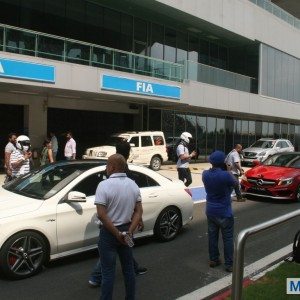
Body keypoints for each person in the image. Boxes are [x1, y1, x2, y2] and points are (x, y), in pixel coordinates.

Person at [88, 140, 147, 287]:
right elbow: (129, 198)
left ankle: (132, 268)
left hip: (112, 219)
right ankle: (96, 276)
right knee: (117, 247)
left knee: (118, 248)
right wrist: (137, 217)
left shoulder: (113, 167)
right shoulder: (124, 171)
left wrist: (137, 216)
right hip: (121, 222)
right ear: (128, 153)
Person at [95, 153, 143, 299]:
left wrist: (116, 234)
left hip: (109, 233)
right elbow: (139, 211)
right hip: (127, 230)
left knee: (108, 273)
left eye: (107, 165)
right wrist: (129, 232)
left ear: (113, 167)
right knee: (128, 270)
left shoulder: (103, 185)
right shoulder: (133, 184)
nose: (106, 168)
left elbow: (102, 215)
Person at [202, 151, 239, 273]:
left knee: (212, 237)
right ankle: (229, 264)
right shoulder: (226, 175)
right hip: (224, 211)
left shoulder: (205, 174)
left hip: (211, 210)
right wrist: (228, 170)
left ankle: (214, 259)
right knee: (227, 238)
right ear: (223, 162)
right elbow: (235, 183)